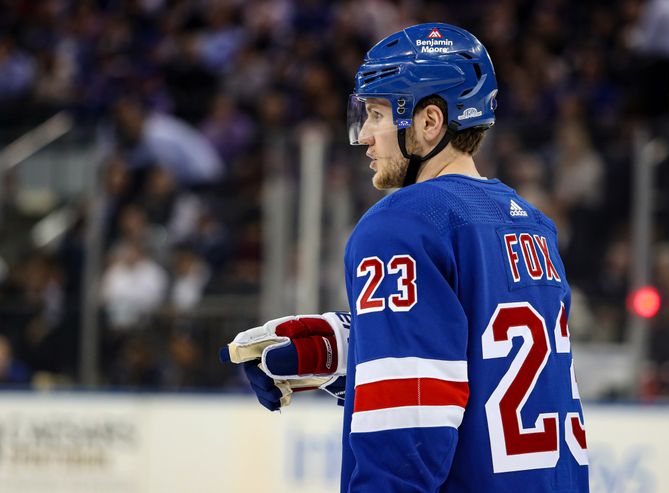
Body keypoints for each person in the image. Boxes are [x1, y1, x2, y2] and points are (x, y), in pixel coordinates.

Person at [222, 23, 588, 492]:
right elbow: (478, 356)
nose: (364, 137)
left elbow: (410, 419)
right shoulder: (532, 224)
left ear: (429, 121)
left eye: (376, 115)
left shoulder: (401, 223)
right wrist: (347, 345)